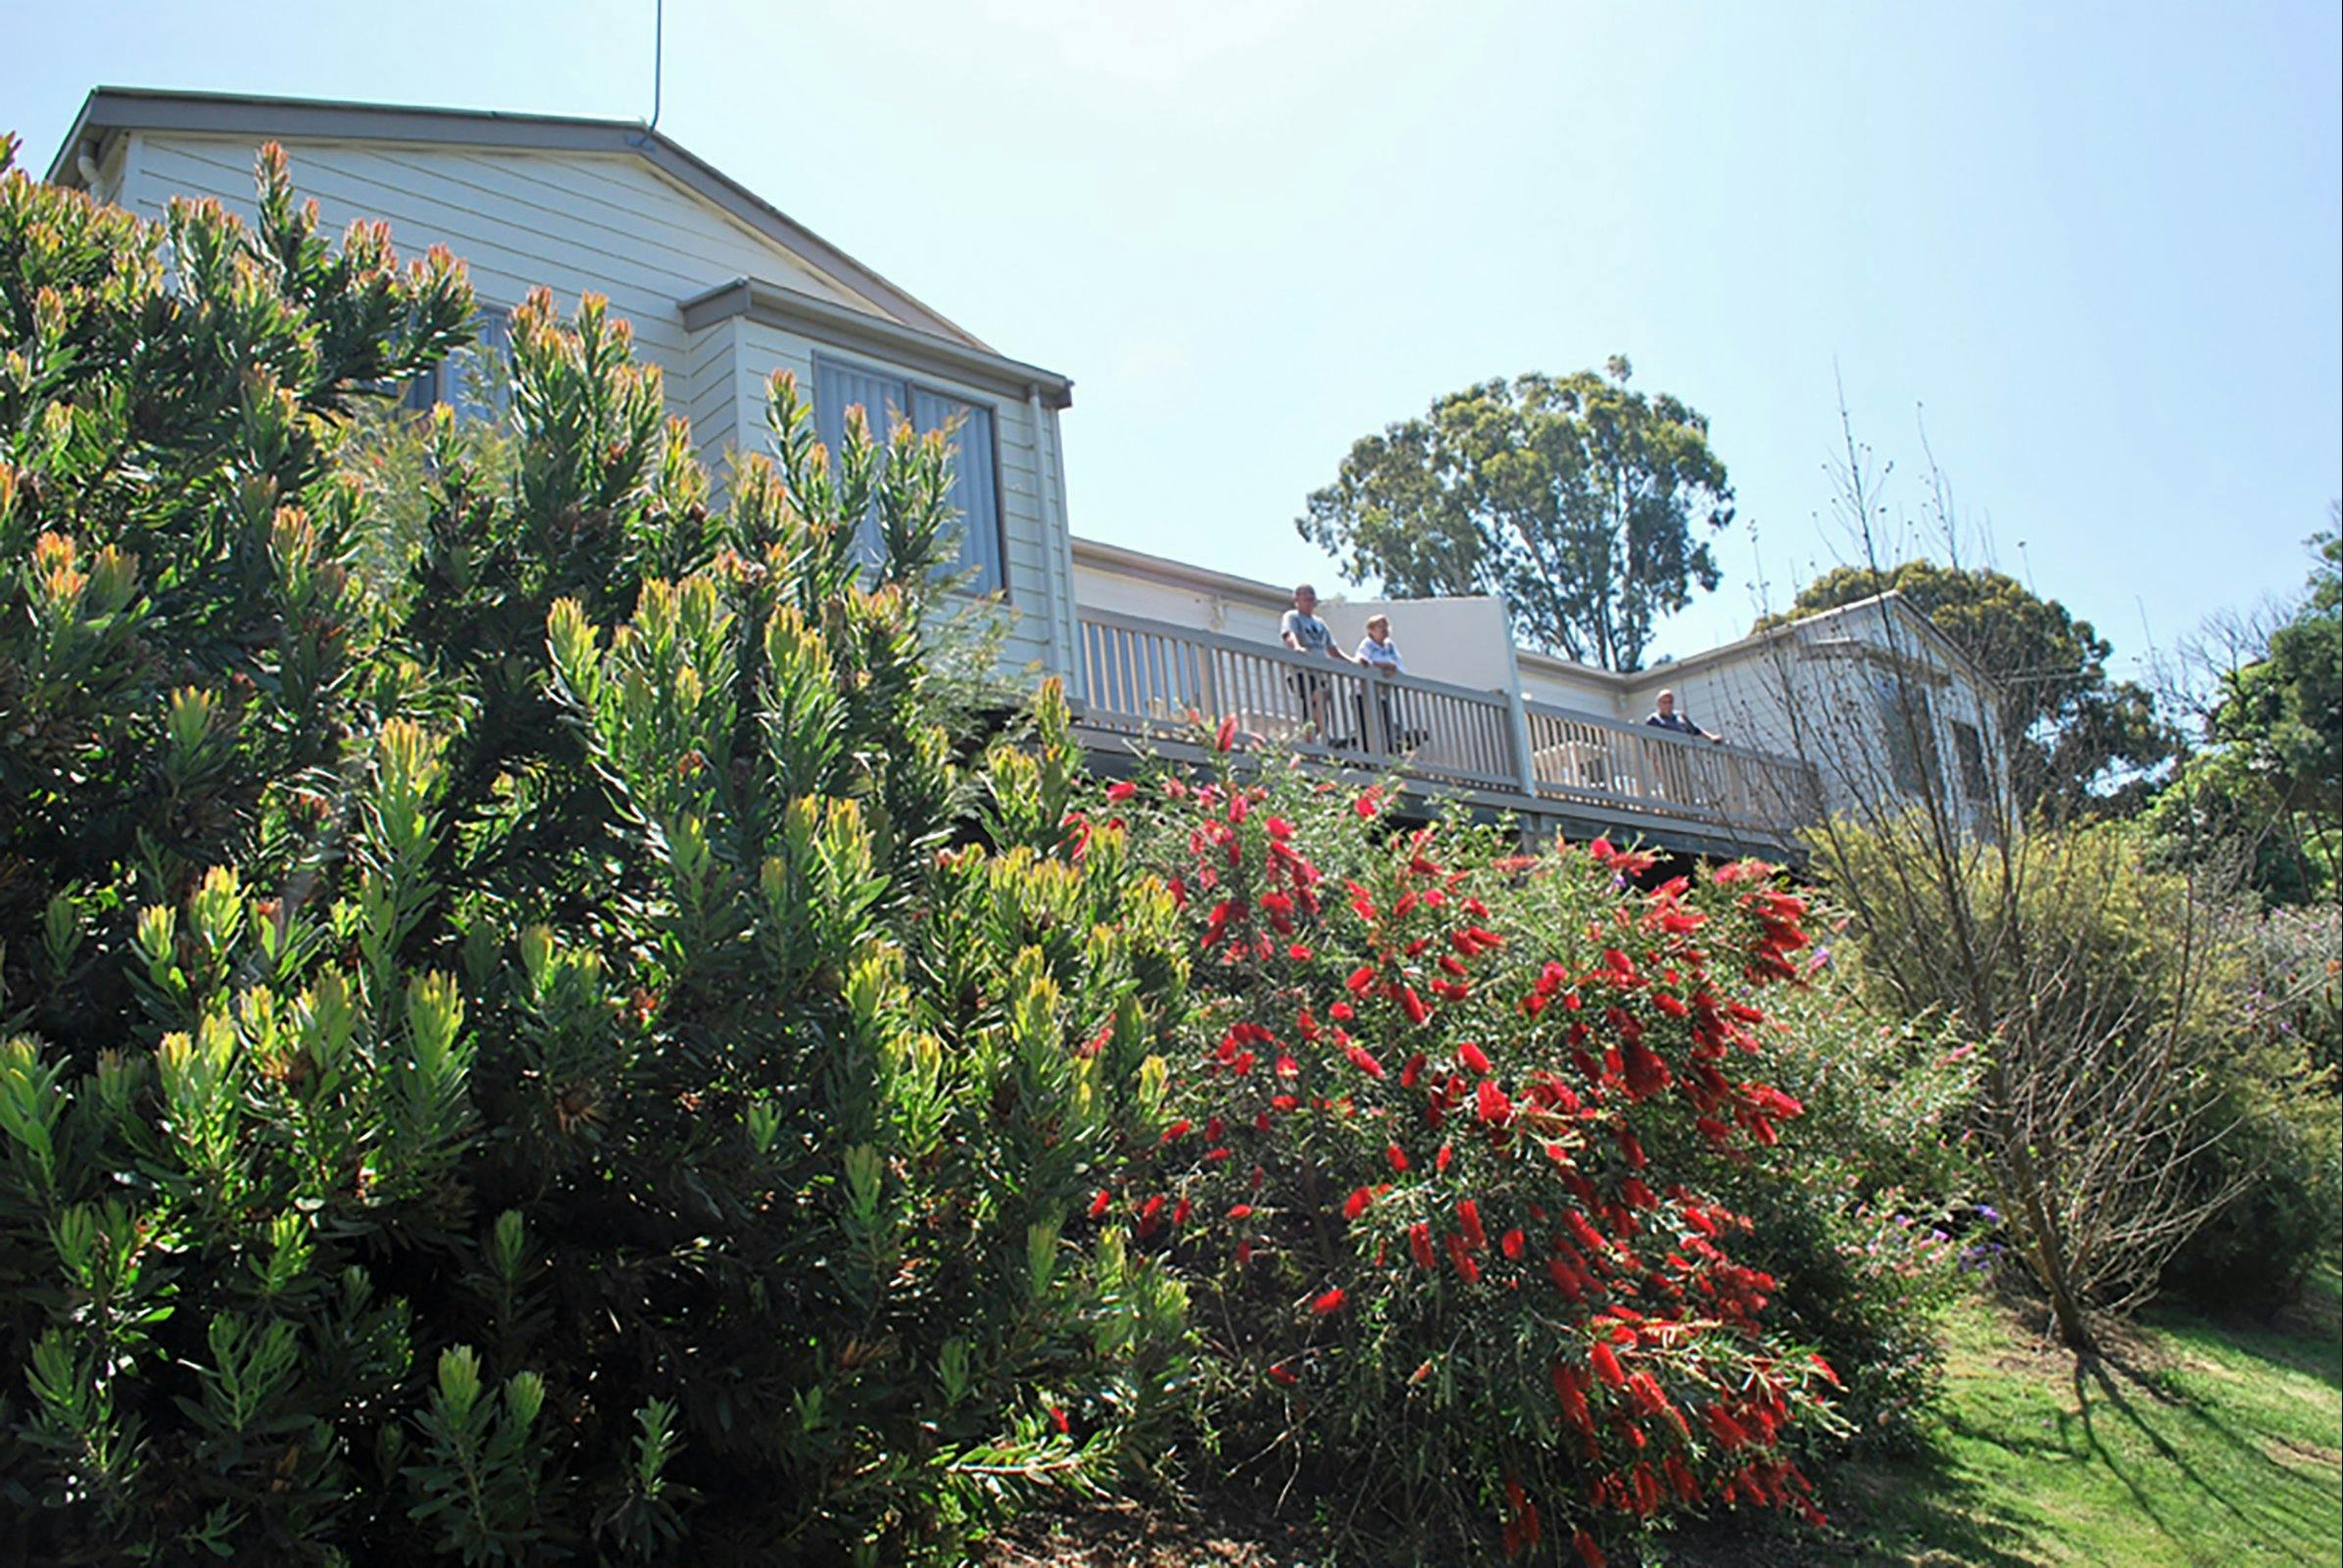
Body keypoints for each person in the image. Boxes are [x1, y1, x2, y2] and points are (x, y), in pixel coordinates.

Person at [1280, 584, 1352, 742]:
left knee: (1317, 713)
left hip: (1319, 673)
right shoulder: (1292, 616)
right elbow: (1288, 635)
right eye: (1305, 596)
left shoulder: (1319, 622)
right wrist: (1297, 647)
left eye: (1312, 596)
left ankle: (1306, 742)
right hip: (1301, 672)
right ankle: (1325, 738)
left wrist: (1352, 662)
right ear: (1296, 599)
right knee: (1318, 697)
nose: (1309, 599)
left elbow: (1332, 650)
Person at [1353, 613, 1408, 749]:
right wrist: (1383, 666)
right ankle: (1367, 755)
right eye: (1380, 626)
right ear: (1371, 630)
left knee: (1384, 725)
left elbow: (1399, 666)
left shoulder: (1389, 646)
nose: (1384, 629)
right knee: (1367, 725)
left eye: (1386, 626)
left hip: (1382, 694)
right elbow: (1362, 662)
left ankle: (1385, 753)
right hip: (1364, 693)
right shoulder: (1367, 644)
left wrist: (1392, 668)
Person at [1644, 688, 1723, 743]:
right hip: (1665, 755)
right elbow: (1648, 741)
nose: (1668, 705)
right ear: (1658, 703)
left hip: (1681, 754)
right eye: (1664, 702)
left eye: (1670, 702)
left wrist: (1711, 737)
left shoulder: (1679, 716)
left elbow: (1696, 730)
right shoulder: (1654, 719)